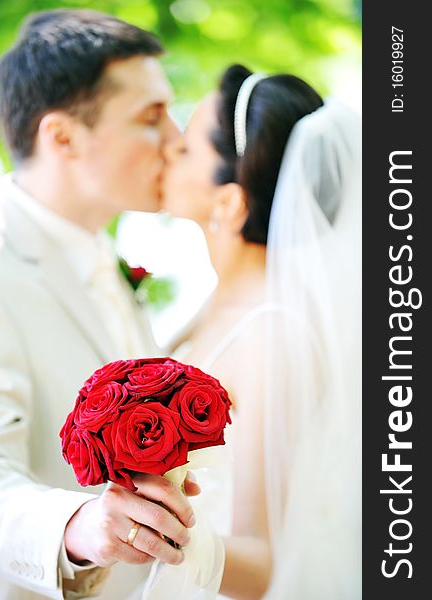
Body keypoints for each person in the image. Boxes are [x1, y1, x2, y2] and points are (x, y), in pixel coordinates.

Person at [0, 10, 200, 600]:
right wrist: (79, 528)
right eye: (152, 117)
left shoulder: (104, 256)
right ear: (63, 137)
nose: (178, 138)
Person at [163, 64, 361, 598]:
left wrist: (156, 537)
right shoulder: (212, 304)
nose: (166, 150)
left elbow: (265, 561)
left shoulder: (271, 336)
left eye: (185, 150)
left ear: (227, 201)